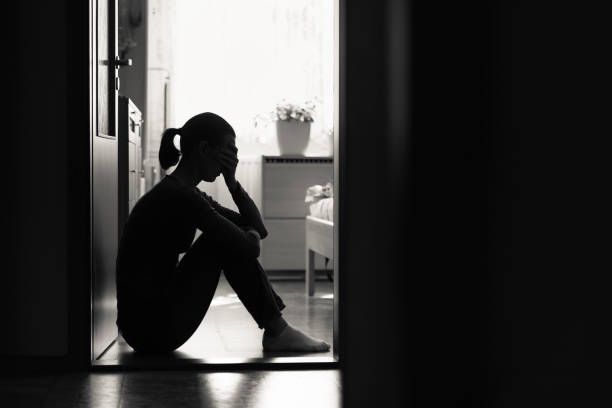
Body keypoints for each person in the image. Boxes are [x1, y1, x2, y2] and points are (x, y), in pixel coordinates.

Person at [115, 112, 330, 354]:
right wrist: (247, 236)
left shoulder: (186, 191)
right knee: (221, 241)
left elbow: (258, 229)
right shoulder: (180, 196)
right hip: (150, 331)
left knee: (227, 237)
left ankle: (277, 330)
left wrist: (232, 184)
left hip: (146, 327)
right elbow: (251, 246)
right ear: (204, 149)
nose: (233, 159)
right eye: (229, 150)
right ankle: (277, 331)